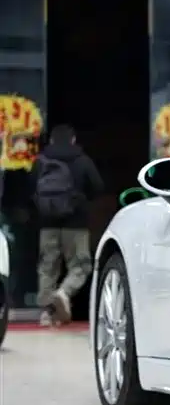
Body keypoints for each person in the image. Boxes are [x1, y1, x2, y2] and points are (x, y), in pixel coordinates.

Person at [30, 125, 103, 326]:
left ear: (52, 140)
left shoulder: (40, 161)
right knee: (81, 265)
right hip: (76, 223)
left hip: (47, 223)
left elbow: (30, 188)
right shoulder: (82, 160)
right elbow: (98, 187)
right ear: (73, 140)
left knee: (47, 266)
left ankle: (46, 313)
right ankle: (64, 292)